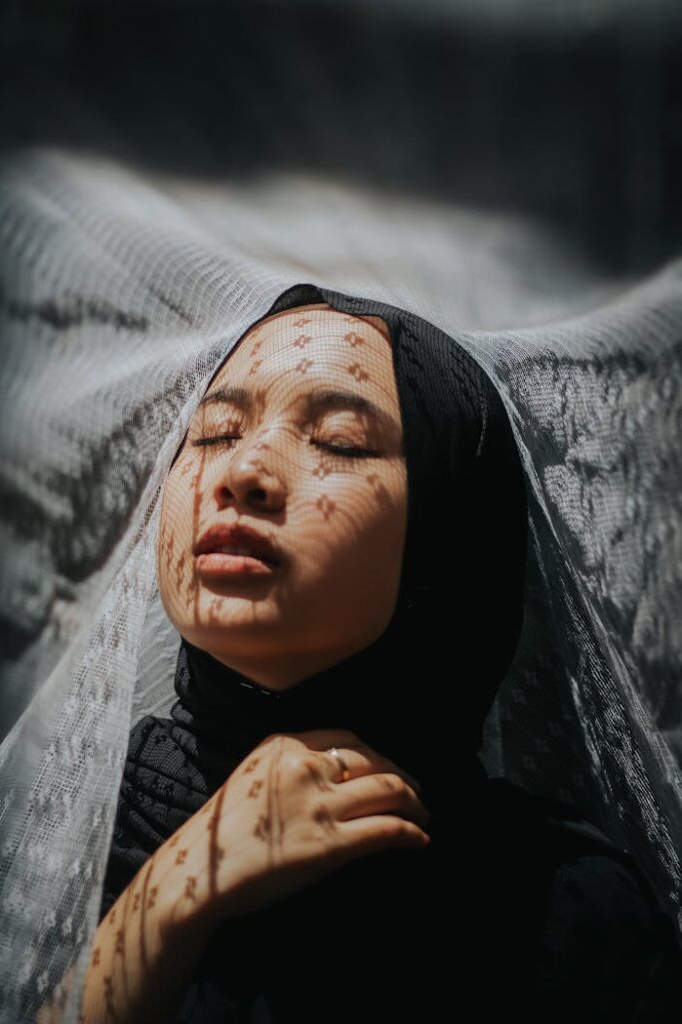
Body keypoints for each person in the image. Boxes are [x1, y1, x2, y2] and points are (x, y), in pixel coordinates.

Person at [84, 285, 680, 1023]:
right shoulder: (69, 825)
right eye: (213, 433)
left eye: (336, 440)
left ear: (447, 528)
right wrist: (170, 891)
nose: (242, 473)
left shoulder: (557, 900)